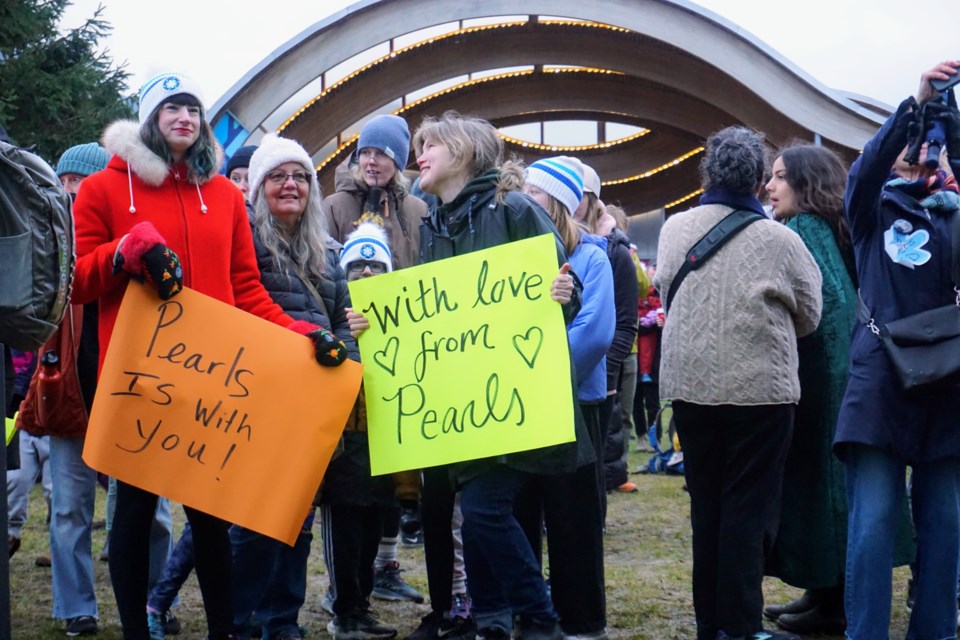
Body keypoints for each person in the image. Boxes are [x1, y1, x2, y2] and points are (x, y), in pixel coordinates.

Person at [71, 71, 348, 640]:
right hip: (138, 380)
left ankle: (223, 631)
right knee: (132, 514)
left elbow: (246, 289)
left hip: (211, 384)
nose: (185, 119)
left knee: (212, 520)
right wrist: (124, 253)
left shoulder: (222, 195)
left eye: (193, 110)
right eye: (172, 109)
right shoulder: (103, 190)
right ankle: (133, 631)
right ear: (149, 120)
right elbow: (76, 282)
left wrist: (302, 334)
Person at [348, 111, 582, 640]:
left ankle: (540, 619)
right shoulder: (433, 221)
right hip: (466, 406)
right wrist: (372, 324)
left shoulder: (515, 209)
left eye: (429, 145)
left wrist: (563, 296)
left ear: (464, 151)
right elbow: (432, 318)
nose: (418, 156)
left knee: (484, 511)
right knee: (479, 515)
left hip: (515, 399)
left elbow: (566, 291)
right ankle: (496, 620)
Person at [653, 125, 822, 640]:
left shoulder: (674, 228)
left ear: (708, 172)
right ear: (756, 178)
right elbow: (811, 313)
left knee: (706, 507)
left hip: (690, 385)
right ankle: (741, 626)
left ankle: (711, 623)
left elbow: (665, 292)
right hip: (760, 390)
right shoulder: (780, 238)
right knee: (749, 511)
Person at [834, 60, 960, 640]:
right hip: (880, 383)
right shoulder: (872, 209)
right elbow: (864, 171)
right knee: (873, 524)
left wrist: (945, 119)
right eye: (913, 150)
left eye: (931, 150)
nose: (922, 157)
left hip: (948, 384)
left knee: (945, 523)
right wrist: (914, 105)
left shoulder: (955, 218)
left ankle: (934, 631)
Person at [322, 114, 427, 610]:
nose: (372, 160)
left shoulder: (417, 210)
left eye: (383, 153)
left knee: (393, 468)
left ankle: (387, 566)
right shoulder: (333, 206)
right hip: (352, 344)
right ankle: (340, 587)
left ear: (398, 160)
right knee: (348, 475)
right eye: (366, 151)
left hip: (403, 350)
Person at [759, 144, 857, 634]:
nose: (770, 187)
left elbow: (831, 308)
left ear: (805, 182)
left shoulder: (803, 230)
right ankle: (821, 592)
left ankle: (832, 603)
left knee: (822, 490)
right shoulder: (831, 227)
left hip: (820, 382)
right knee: (828, 489)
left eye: (779, 177)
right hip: (835, 377)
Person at [520, 156, 614, 640]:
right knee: (523, 512)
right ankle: (529, 612)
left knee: (573, 519)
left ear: (555, 203)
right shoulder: (512, 257)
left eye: (532, 194)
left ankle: (580, 619)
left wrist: (542, 376)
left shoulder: (592, 258)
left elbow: (594, 333)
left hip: (578, 403)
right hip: (523, 408)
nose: (522, 202)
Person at [321, 220, 410, 640]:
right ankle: (343, 610)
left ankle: (363, 606)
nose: (368, 275)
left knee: (374, 524)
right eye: (358, 267)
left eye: (377, 268)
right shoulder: (334, 316)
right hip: (344, 442)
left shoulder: (404, 322)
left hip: (383, 439)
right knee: (346, 526)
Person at [571, 161, 639, 506]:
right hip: (569, 371)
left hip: (602, 374)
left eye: (577, 194)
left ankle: (593, 516)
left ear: (592, 197)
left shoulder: (615, 251)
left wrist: (608, 367)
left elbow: (626, 322)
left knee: (595, 456)